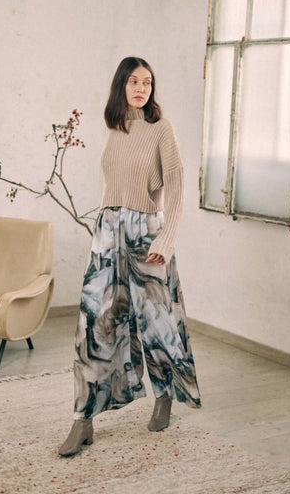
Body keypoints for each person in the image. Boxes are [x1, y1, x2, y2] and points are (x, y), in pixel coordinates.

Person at [59, 56, 201, 457]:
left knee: (158, 322)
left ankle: (165, 396)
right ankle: (82, 419)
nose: (142, 87)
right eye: (134, 81)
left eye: (148, 81)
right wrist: (102, 235)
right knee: (94, 324)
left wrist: (166, 239)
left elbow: (175, 184)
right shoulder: (115, 128)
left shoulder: (161, 129)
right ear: (121, 85)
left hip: (146, 233)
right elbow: (115, 186)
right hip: (108, 233)